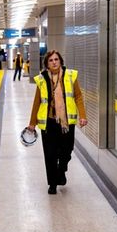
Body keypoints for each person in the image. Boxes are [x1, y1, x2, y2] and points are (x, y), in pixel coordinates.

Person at [27, 50, 88, 194]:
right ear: (47, 64)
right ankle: (52, 184)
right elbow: (37, 102)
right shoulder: (42, 79)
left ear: (60, 61)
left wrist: (82, 116)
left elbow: (78, 96)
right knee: (50, 154)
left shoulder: (70, 76)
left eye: (56, 59)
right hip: (48, 122)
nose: (54, 62)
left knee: (67, 150)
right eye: (51, 60)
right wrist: (32, 122)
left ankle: (62, 170)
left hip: (66, 122)